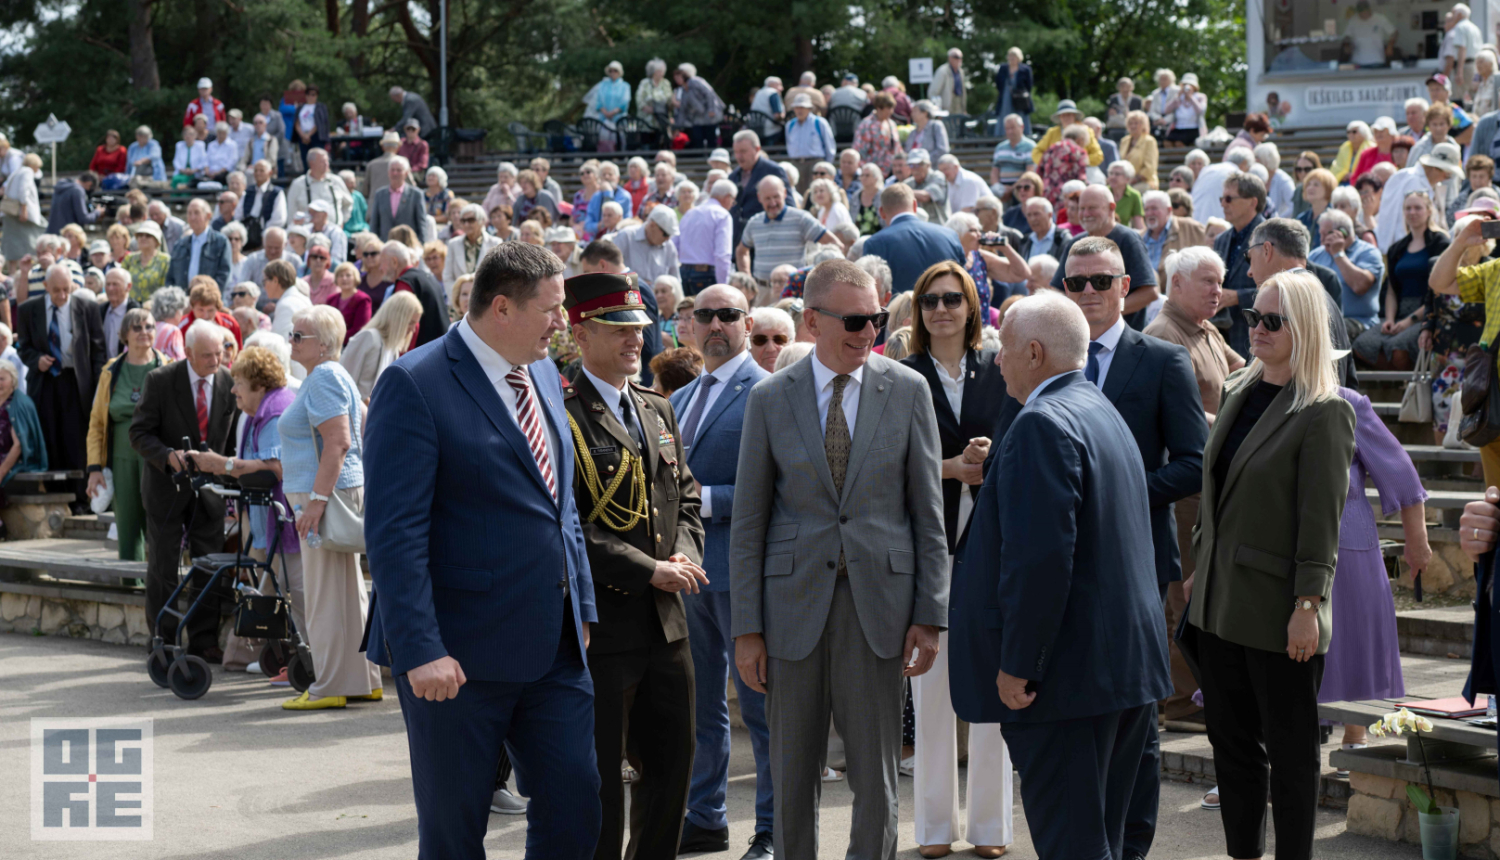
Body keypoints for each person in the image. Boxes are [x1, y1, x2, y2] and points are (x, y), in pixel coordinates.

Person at [365, 240, 601, 855]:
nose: (563, 322)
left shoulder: (544, 373)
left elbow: (561, 508)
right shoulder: (413, 384)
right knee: (454, 831)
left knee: (577, 807)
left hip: (555, 646)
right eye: (551, 309)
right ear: (502, 307)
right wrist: (419, 650)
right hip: (456, 658)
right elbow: (395, 532)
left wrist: (583, 612)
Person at [729, 258, 945, 859]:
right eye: (853, 320)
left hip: (880, 610)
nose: (868, 331)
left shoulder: (907, 389)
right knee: (792, 772)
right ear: (812, 320)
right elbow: (749, 521)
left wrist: (930, 614)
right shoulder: (770, 398)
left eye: (875, 317)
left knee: (874, 775)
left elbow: (929, 513)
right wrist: (747, 629)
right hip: (790, 612)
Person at [949, 289, 1170, 860]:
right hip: (1119, 670)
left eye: (1005, 349)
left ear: (1035, 354)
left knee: (1074, 841)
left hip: (1068, 683)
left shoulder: (1041, 424)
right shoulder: (1098, 408)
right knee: (1112, 839)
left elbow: (1040, 563)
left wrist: (1019, 664)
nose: (995, 360)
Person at [1185, 269, 1355, 860]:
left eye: (1272, 321)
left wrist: (1308, 605)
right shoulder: (1238, 387)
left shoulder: (1324, 411)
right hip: (1217, 603)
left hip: (1280, 611)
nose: (1256, 328)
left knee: (1290, 753)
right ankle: (1242, 853)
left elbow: (1321, 523)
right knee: (1229, 745)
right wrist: (1198, 564)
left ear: (1303, 327)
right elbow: (1215, 490)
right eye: (1253, 316)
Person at [1061, 234, 1210, 856]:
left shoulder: (1161, 361)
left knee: (1137, 714)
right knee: (1077, 713)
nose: (1090, 293)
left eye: (1102, 281)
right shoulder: (1049, 360)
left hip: (1140, 561)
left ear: (1128, 286)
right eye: (1077, 283)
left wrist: (1116, 491)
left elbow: (1194, 464)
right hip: (1065, 564)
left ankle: (1132, 845)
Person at [555, 271, 703, 858]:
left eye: (639, 329)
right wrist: (647, 568)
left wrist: (684, 556)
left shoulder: (655, 408)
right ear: (580, 332)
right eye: (618, 329)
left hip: (667, 623)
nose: (634, 341)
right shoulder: (560, 411)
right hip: (605, 627)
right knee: (599, 788)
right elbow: (566, 523)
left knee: (671, 774)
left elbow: (684, 497)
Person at [897, 261, 1013, 859]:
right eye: (929, 300)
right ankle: (935, 830)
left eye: (952, 298)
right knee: (932, 688)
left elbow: (1024, 440)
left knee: (995, 685)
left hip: (992, 544)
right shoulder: (900, 374)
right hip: (929, 544)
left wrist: (990, 454)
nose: (940, 309)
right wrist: (949, 467)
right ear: (917, 311)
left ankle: (991, 830)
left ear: (972, 306)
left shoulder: (999, 367)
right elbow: (885, 462)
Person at [669, 284, 771, 853]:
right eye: (703, 314)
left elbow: (776, 487)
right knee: (700, 706)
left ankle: (772, 828)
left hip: (742, 575)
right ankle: (705, 816)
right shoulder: (681, 399)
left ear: (746, 322)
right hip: (686, 575)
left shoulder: (768, 390)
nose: (715, 324)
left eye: (727, 315)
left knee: (761, 709)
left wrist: (698, 499)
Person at [1143, 247, 1244, 728]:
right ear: (1175, 284)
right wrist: (1243, 427)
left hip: (1212, 484)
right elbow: (1178, 419)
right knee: (1182, 596)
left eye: (1220, 281)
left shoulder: (1205, 328)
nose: (1216, 290)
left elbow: (1249, 377)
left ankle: (1196, 695)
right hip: (1184, 489)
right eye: (1206, 281)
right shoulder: (1163, 336)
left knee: (1201, 592)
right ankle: (1181, 701)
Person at [271, 305, 383, 710]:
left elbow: (338, 441)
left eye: (300, 335)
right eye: (293, 334)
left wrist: (316, 502)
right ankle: (360, 679)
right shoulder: (329, 376)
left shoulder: (323, 377)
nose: (292, 341)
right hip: (333, 491)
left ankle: (330, 684)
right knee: (345, 592)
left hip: (324, 495)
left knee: (324, 594)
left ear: (323, 345)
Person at [130, 320, 236, 661]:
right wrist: (167, 456)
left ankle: (204, 641)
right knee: (162, 566)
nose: (215, 361)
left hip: (210, 492)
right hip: (166, 487)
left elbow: (229, 440)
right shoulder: (160, 381)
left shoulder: (228, 382)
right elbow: (139, 433)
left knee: (209, 566)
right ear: (187, 352)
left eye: (219, 353)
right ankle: (163, 642)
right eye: (206, 355)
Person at [17, 264, 105, 504]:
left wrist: (99, 387)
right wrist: (37, 360)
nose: (62, 295)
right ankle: (57, 497)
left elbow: (98, 352)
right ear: (45, 287)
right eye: (56, 290)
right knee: (50, 437)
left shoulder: (86, 308)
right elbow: (23, 347)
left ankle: (81, 499)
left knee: (77, 440)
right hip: (45, 383)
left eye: (67, 289)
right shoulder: (28, 310)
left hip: (76, 382)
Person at [86, 306, 164, 561]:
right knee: (127, 525)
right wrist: (94, 467)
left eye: (149, 326)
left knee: (161, 523)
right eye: (137, 327)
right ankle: (131, 586)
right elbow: (97, 423)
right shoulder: (111, 371)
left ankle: (162, 589)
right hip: (121, 457)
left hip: (158, 456)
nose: (144, 332)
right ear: (124, 335)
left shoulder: (168, 367)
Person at [1354, 191, 1449, 370]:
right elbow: (1391, 289)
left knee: (1398, 348)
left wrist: (1410, 321)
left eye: (1418, 208)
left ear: (1429, 211)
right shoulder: (1397, 248)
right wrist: (1390, 319)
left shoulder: (1440, 242)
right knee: (1361, 346)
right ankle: (1395, 381)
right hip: (1397, 314)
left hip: (1426, 314)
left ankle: (1406, 385)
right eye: (1408, 208)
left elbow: (1439, 288)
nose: (1412, 212)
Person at [1049, 186, 1161, 329]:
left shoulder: (1128, 239)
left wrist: (1107, 311)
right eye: (1081, 208)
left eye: (1092, 208)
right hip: (1084, 337)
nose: (1085, 213)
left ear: (1111, 208)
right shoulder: (1075, 243)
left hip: (1123, 340)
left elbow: (1149, 292)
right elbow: (1057, 290)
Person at [736, 176, 841, 287]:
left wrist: (819, 276)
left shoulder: (801, 219)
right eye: (767, 198)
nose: (773, 203)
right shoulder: (754, 222)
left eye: (776, 197)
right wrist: (747, 278)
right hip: (763, 289)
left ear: (785, 193)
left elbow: (835, 244)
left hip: (793, 289)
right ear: (759, 198)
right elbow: (741, 251)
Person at [863, 184, 965, 295]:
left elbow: (871, 292)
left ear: (882, 212)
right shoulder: (950, 235)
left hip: (900, 310)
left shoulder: (875, 244)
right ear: (915, 205)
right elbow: (964, 282)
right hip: (945, 309)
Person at [1377, 140, 1464, 252]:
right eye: (1448, 173)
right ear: (1435, 168)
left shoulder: (1429, 184)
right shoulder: (1413, 183)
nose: (1448, 177)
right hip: (1404, 252)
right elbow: (1402, 223)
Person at [340, 290, 422, 404]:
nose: (413, 329)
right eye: (410, 323)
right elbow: (344, 380)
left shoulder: (393, 348)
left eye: (415, 324)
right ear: (397, 318)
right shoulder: (369, 337)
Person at [1308, 209, 1385, 330]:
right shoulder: (1315, 255)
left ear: (1343, 233)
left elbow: (1360, 286)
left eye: (1326, 234)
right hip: (1320, 320)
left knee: (1328, 332)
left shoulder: (1368, 252)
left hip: (1358, 321)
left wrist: (1338, 254)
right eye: (1320, 234)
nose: (1321, 240)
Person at [679, 179, 736, 292]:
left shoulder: (690, 213)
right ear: (728, 197)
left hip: (684, 272)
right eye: (733, 201)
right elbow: (722, 254)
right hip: (706, 275)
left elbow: (675, 244)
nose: (732, 204)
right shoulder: (722, 215)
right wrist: (723, 285)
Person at [166, 199, 232, 293]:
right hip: (182, 303)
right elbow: (170, 278)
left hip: (208, 303)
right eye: (189, 213)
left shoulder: (221, 242)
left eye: (197, 213)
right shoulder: (179, 245)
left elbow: (224, 275)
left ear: (208, 215)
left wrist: (207, 297)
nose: (192, 217)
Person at [615, 206, 682, 288]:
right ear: (652, 225)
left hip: (658, 300)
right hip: (629, 297)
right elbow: (612, 271)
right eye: (666, 234)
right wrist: (637, 284)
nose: (668, 238)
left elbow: (675, 281)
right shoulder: (626, 237)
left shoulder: (669, 246)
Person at [287, 148, 353, 229]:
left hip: (335, 233)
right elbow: (291, 213)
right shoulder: (298, 184)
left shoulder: (336, 181)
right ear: (312, 163)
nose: (326, 164)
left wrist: (342, 221)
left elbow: (348, 203)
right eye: (322, 161)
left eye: (327, 161)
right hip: (309, 236)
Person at [370, 157, 430, 243]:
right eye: (392, 170)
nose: (395, 173)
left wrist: (422, 245)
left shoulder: (416, 194)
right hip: (385, 246)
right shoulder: (379, 194)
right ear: (388, 173)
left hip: (409, 246)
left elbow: (422, 223)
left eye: (399, 170)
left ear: (406, 174)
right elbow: (374, 224)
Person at [442, 203, 501, 291]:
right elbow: (447, 276)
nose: (466, 224)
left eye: (471, 220)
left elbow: (498, 275)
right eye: (463, 221)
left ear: (482, 221)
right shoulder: (453, 244)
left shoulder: (495, 243)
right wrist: (457, 299)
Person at [1, 153, 45, 266]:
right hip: (21, 214)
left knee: (12, 244)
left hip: (10, 213)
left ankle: (13, 271)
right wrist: (24, 210)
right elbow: (23, 190)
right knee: (32, 240)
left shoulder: (17, 171)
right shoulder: (27, 171)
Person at [853, 92, 905, 177]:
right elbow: (858, 151)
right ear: (879, 108)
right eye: (888, 108)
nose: (891, 111)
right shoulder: (866, 125)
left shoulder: (891, 124)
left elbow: (898, 148)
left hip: (892, 172)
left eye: (892, 108)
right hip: (873, 173)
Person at [674, 63, 725, 149]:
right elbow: (683, 109)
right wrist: (677, 127)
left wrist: (711, 109)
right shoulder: (683, 90)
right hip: (698, 119)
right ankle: (700, 159)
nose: (677, 80)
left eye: (679, 77)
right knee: (697, 139)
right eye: (675, 78)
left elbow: (709, 93)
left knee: (711, 139)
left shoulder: (696, 81)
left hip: (709, 117)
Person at [97, 267, 141, 361]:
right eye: (108, 284)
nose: (110, 288)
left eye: (115, 284)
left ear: (128, 287)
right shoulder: (100, 311)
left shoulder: (137, 313)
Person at [323, 262, 373, 342]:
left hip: (352, 344)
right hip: (330, 343)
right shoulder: (331, 299)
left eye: (348, 275)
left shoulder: (363, 300)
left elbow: (359, 328)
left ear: (355, 278)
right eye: (341, 275)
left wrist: (336, 339)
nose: (344, 278)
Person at [993, 48, 1033, 133]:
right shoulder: (1003, 68)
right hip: (1006, 97)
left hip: (1020, 98)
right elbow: (998, 83)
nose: (1011, 58)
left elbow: (1029, 86)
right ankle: (1002, 135)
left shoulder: (1025, 69)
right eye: (1010, 56)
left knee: (1021, 116)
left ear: (1019, 57)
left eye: (1014, 56)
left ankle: (1023, 134)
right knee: (1004, 115)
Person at [928, 47, 967, 115]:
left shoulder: (961, 72)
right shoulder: (942, 71)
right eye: (956, 57)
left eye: (960, 57)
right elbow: (933, 92)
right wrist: (938, 112)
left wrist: (964, 109)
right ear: (950, 58)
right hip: (946, 108)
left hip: (959, 107)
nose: (959, 59)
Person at [636, 58, 673, 124]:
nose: (661, 73)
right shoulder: (645, 83)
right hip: (646, 120)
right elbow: (639, 99)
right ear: (652, 71)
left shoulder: (666, 83)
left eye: (662, 71)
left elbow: (670, 99)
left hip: (662, 120)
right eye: (659, 71)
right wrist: (647, 108)